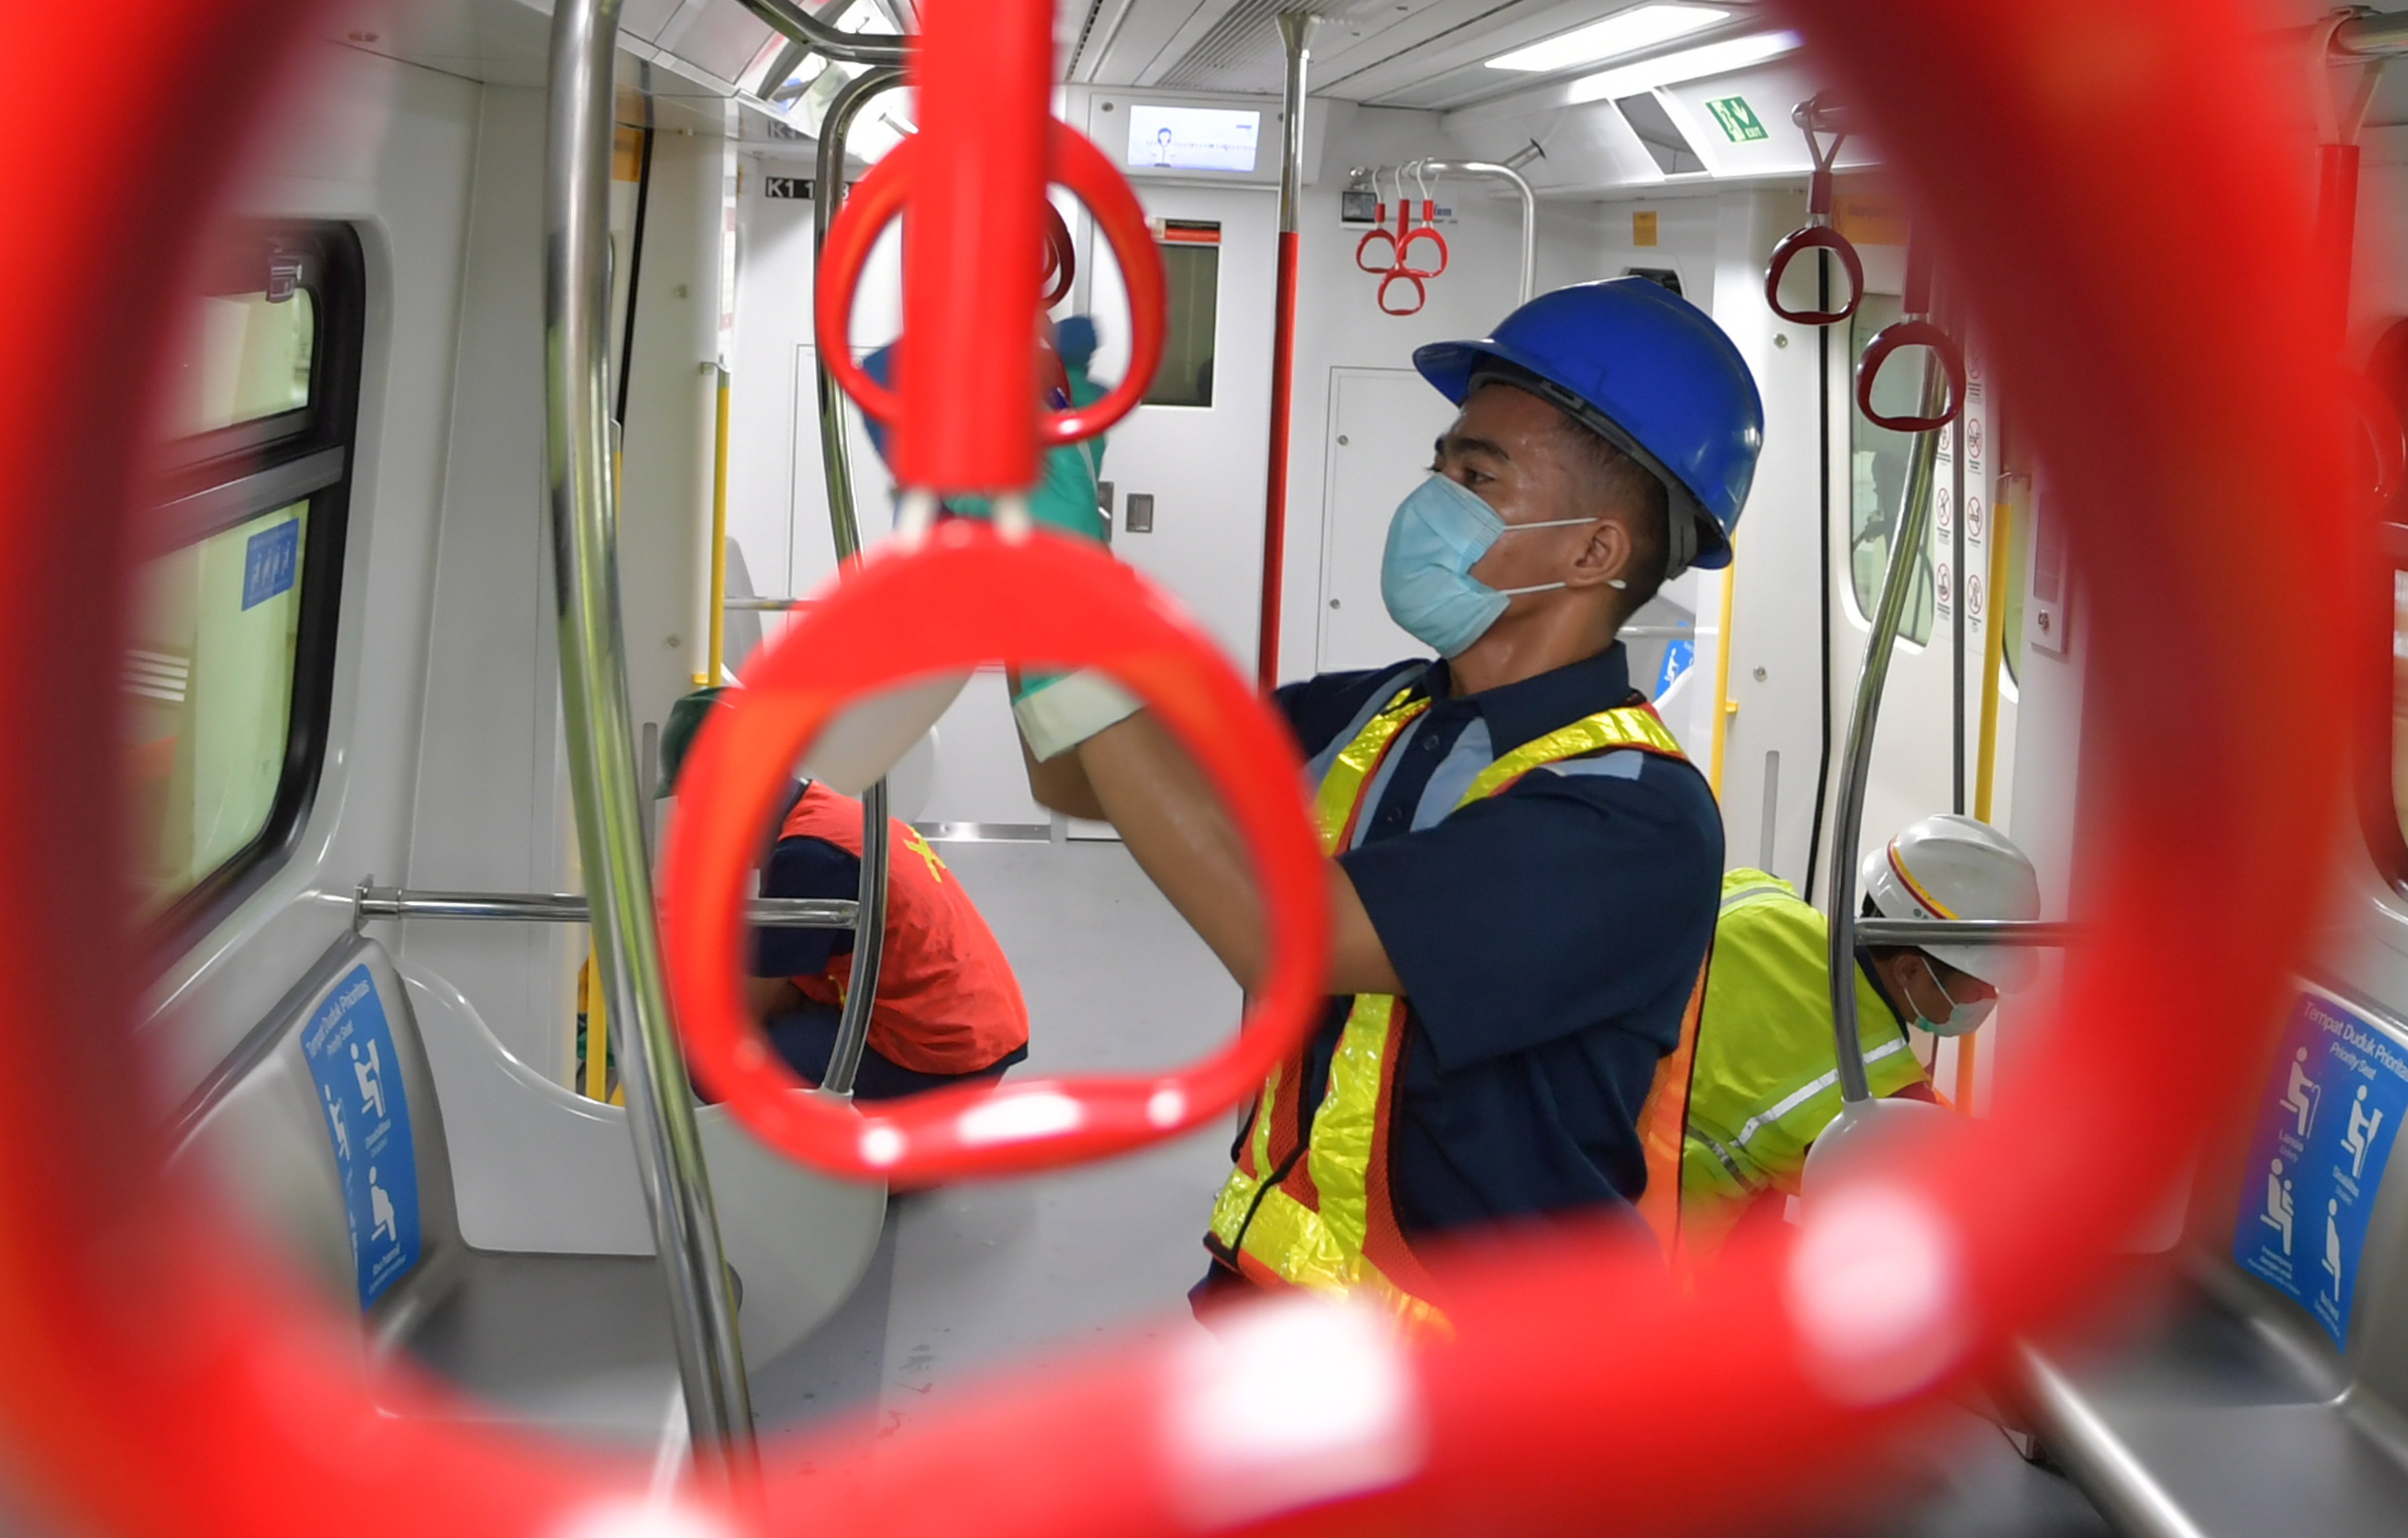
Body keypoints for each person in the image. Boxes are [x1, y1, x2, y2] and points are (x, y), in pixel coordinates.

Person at [1008, 277, 1764, 1331]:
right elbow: (1074, 773)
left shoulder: (1632, 816)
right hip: (1275, 1305)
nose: (1432, 496)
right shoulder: (1373, 709)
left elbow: (1292, 937)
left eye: (1478, 474)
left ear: (1593, 550)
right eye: (1442, 462)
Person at [1654, 816, 2042, 1261]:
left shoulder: (1758, 895)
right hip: (1670, 1253)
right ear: (1912, 971)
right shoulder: (1870, 1085)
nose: (1990, 995)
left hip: (1591, 1164)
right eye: (1982, 980)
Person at [660, 688, 1029, 1100]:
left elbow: (746, 1011)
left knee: (709, 1067)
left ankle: (823, 1155)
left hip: (937, 1051)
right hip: (976, 1020)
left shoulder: (807, 857)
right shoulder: (819, 813)